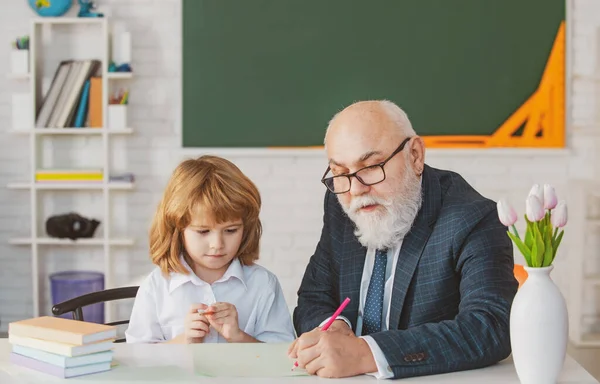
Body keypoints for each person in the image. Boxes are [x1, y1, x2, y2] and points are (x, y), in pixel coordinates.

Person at [289, 100, 518, 379]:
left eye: (372, 166)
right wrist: (335, 327)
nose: (357, 189)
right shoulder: (341, 199)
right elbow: (314, 296)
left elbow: (491, 326)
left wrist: (365, 353)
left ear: (415, 156)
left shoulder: (473, 218)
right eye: (340, 172)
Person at [125, 155, 295, 344]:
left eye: (230, 230)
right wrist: (183, 341)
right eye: (203, 231)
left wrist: (238, 337)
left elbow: (281, 356)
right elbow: (138, 357)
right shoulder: (157, 286)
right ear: (178, 229)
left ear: (245, 228)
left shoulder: (263, 284)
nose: (217, 244)